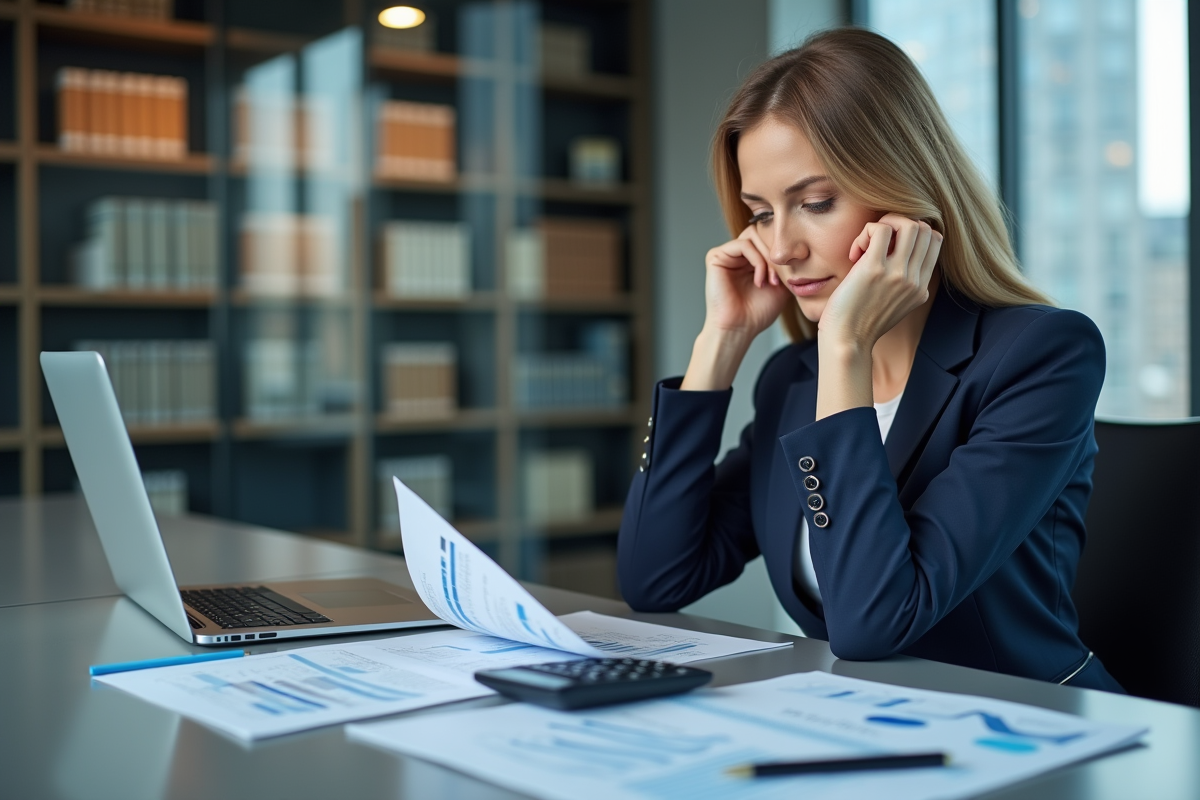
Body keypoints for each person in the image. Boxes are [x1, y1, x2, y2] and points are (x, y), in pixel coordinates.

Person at [617, 28, 1123, 692]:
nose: (783, 247)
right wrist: (718, 347)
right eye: (761, 213)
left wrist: (847, 349)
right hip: (867, 727)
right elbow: (657, 579)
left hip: (1031, 733)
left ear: (906, 193)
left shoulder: (1041, 356)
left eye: (815, 203)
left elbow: (873, 621)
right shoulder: (792, 381)